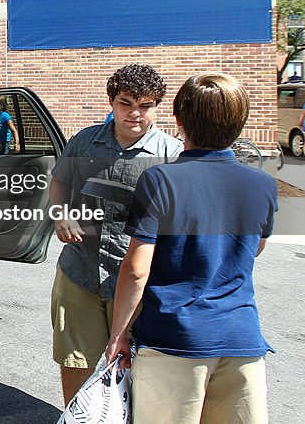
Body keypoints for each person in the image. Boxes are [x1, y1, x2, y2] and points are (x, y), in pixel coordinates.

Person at [106, 73, 277, 423]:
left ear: (179, 120)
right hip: (242, 339)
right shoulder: (262, 184)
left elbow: (137, 269)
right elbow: (253, 249)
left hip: (174, 340)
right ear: (240, 122)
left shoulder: (161, 180)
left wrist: (118, 335)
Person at [49, 64, 183, 405]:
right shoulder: (84, 141)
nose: (135, 114)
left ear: (157, 107)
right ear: (111, 101)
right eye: (126, 103)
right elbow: (60, 181)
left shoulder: (171, 155)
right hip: (80, 273)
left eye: (146, 105)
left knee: (138, 370)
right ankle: (77, 415)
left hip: (139, 281)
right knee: (75, 362)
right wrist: (61, 214)